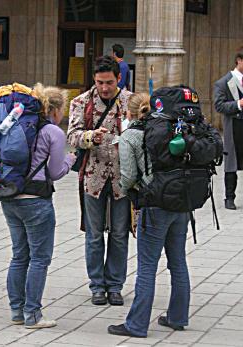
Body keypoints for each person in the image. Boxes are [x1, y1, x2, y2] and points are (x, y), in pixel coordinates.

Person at [108, 92, 190, 338]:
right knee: (178, 261)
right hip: (180, 202)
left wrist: (123, 190)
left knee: (146, 267)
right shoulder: (170, 128)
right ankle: (177, 316)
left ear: (128, 113)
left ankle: (137, 324)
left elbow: (129, 177)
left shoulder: (130, 136)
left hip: (154, 206)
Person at [1, 83, 76, 329]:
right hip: (36, 202)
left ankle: (16, 311)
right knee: (39, 259)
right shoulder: (53, 132)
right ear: (55, 110)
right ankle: (33, 314)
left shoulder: (17, 125)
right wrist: (71, 159)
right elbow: (54, 172)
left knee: (19, 254)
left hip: (11, 198)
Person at [67, 55, 131, 306]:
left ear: (119, 78)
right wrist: (89, 137)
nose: (104, 88)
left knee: (119, 233)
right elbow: (71, 136)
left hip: (123, 179)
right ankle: (96, 285)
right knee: (94, 235)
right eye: (99, 82)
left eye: (109, 82)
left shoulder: (131, 101)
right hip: (92, 177)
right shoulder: (81, 102)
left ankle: (115, 285)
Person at [214, 47, 243, 210]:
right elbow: (219, 105)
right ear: (239, 60)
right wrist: (238, 104)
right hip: (234, 126)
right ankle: (229, 197)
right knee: (231, 164)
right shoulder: (224, 82)